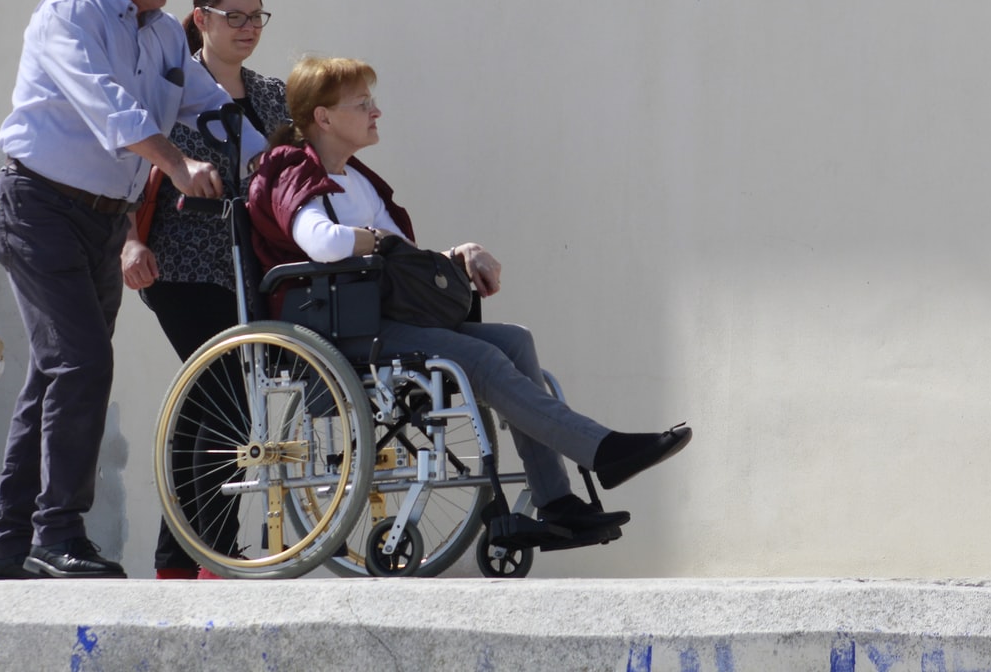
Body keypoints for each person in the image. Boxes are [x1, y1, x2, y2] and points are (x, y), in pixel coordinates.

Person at [247, 55, 692, 540]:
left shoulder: (358, 180)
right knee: (479, 357)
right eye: (363, 103)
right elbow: (324, 243)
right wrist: (376, 240)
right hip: (339, 328)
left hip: (384, 316)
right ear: (324, 117)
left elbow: (403, 259)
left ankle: (558, 502)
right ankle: (602, 450)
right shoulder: (289, 167)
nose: (377, 112)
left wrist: (459, 253)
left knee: (515, 341)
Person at [0, 0, 232, 580]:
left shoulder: (162, 32)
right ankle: (57, 535)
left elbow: (205, 103)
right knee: (81, 363)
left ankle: (7, 542)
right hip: (39, 208)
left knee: (55, 372)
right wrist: (177, 166)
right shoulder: (69, 14)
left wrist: (292, 142)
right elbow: (109, 108)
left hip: (101, 220)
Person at [120, 0, 289, 579]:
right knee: (226, 398)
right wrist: (130, 243)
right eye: (235, 17)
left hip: (251, 266)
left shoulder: (272, 96)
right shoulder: (170, 90)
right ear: (203, 18)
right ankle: (205, 557)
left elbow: (294, 179)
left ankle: (187, 558)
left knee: (218, 404)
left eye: (257, 17)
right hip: (183, 263)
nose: (248, 29)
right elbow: (129, 173)